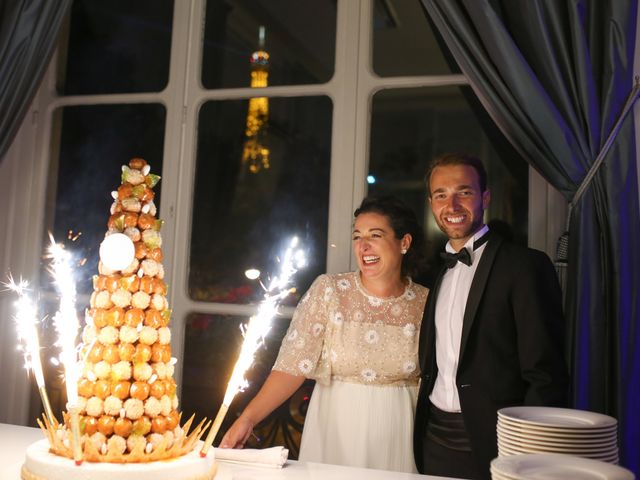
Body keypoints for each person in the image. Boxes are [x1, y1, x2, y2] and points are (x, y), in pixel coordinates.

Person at [220, 195, 429, 472]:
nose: (363, 246)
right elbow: (292, 367)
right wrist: (248, 418)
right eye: (357, 236)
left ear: (404, 242)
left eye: (375, 235)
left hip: (400, 436)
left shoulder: (425, 302)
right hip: (336, 430)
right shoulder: (329, 291)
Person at [413, 153, 568, 480]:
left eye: (464, 192)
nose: (451, 205)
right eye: (441, 195)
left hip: (498, 442)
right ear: (431, 203)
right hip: (433, 439)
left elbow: (546, 374)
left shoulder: (525, 266)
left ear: (485, 197)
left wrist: (526, 449)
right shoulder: (436, 272)